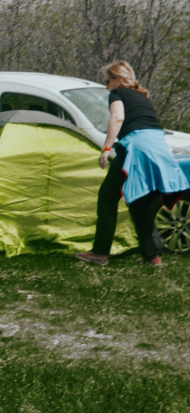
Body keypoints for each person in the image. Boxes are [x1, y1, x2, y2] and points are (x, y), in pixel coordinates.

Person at [76, 61, 189, 267]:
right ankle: (152, 256)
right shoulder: (142, 96)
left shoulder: (118, 93)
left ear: (118, 79)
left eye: (108, 79)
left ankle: (100, 253)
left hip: (137, 146)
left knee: (108, 196)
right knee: (141, 203)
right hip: (158, 146)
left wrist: (107, 148)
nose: (106, 84)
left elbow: (117, 118)